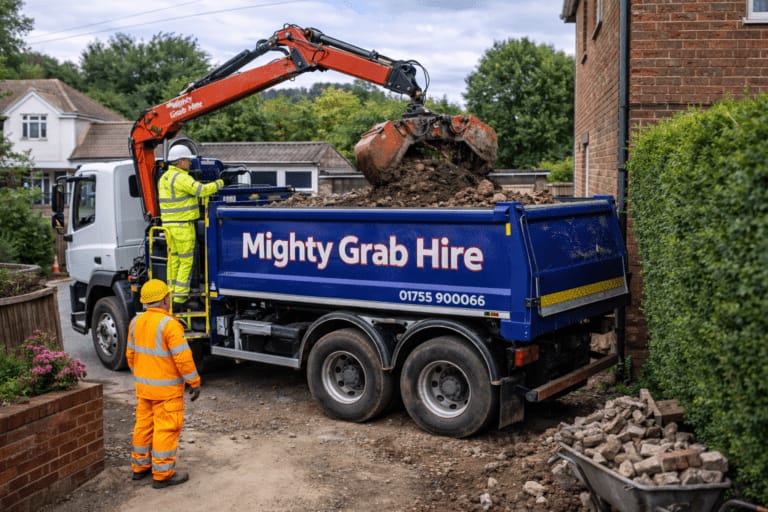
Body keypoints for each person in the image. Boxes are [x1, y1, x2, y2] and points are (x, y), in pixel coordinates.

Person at [127, 279, 201, 488]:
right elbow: (183, 358)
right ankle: (162, 474)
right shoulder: (169, 325)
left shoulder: (135, 322)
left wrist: (143, 376)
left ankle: (140, 467)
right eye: (168, 296)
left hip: (144, 389)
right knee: (166, 429)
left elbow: (130, 356)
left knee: (143, 426)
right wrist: (194, 382)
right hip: (167, 391)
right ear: (164, 300)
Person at [158, 145, 224, 309]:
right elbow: (202, 190)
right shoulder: (181, 178)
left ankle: (172, 294)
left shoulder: (164, 178)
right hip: (183, 226)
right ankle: (180, 298)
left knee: (174, 261)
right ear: (180, 161)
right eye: (187, 160)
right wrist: (221, 182)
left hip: (169, 226)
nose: (189, 163)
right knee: (186, 261)